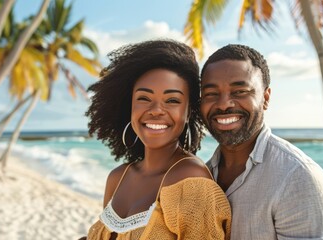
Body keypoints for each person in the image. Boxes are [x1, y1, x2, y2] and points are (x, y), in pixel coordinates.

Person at [83, 39, 231, 240]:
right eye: (144, 98)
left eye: (172, 101)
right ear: (130, 106)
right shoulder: (117, 177)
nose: (155, 111)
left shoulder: (191, 180)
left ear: (189, 112)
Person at [200, 44, 323, 239]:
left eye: (240, 91)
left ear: (265, 98)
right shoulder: (202, 176)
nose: (224, 103)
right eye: (211, 94)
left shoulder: (297, 178)